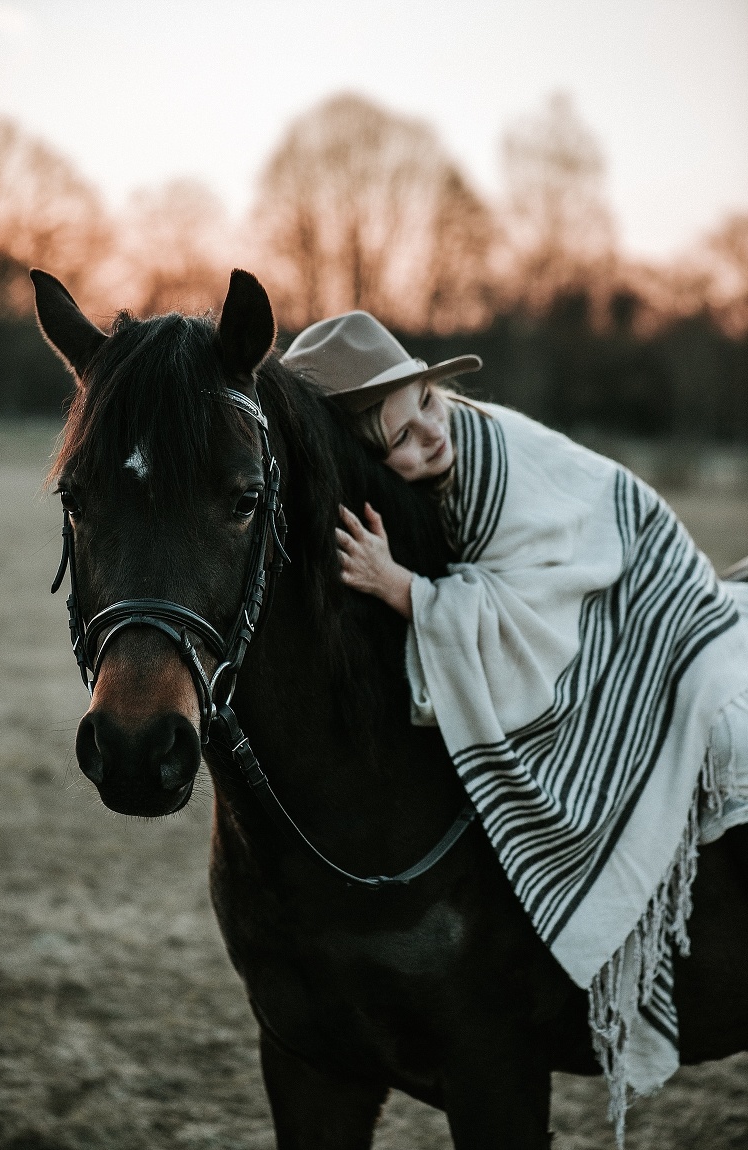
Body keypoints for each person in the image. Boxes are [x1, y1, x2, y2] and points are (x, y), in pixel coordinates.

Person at [281, 311, 748, 1127]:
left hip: (649, 594)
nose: (430, 433)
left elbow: (537, 610)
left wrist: (407, 593)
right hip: (580, 595)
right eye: (399, 435)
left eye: (427, 399)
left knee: (713, 724)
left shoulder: (498, 459)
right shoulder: (438, 482)